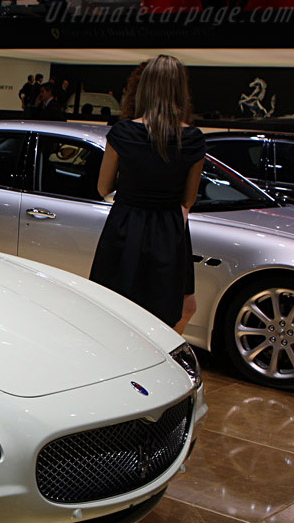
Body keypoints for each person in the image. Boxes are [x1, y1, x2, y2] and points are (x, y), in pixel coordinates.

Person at [89, 55, 206, 334]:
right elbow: (189, 199)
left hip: (125, 224)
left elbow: (103, 187)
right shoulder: (192, 139)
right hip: (169, 228)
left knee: (117, 308)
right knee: (168, 310)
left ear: (144, 87)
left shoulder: (123, 133)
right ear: (180, 89)